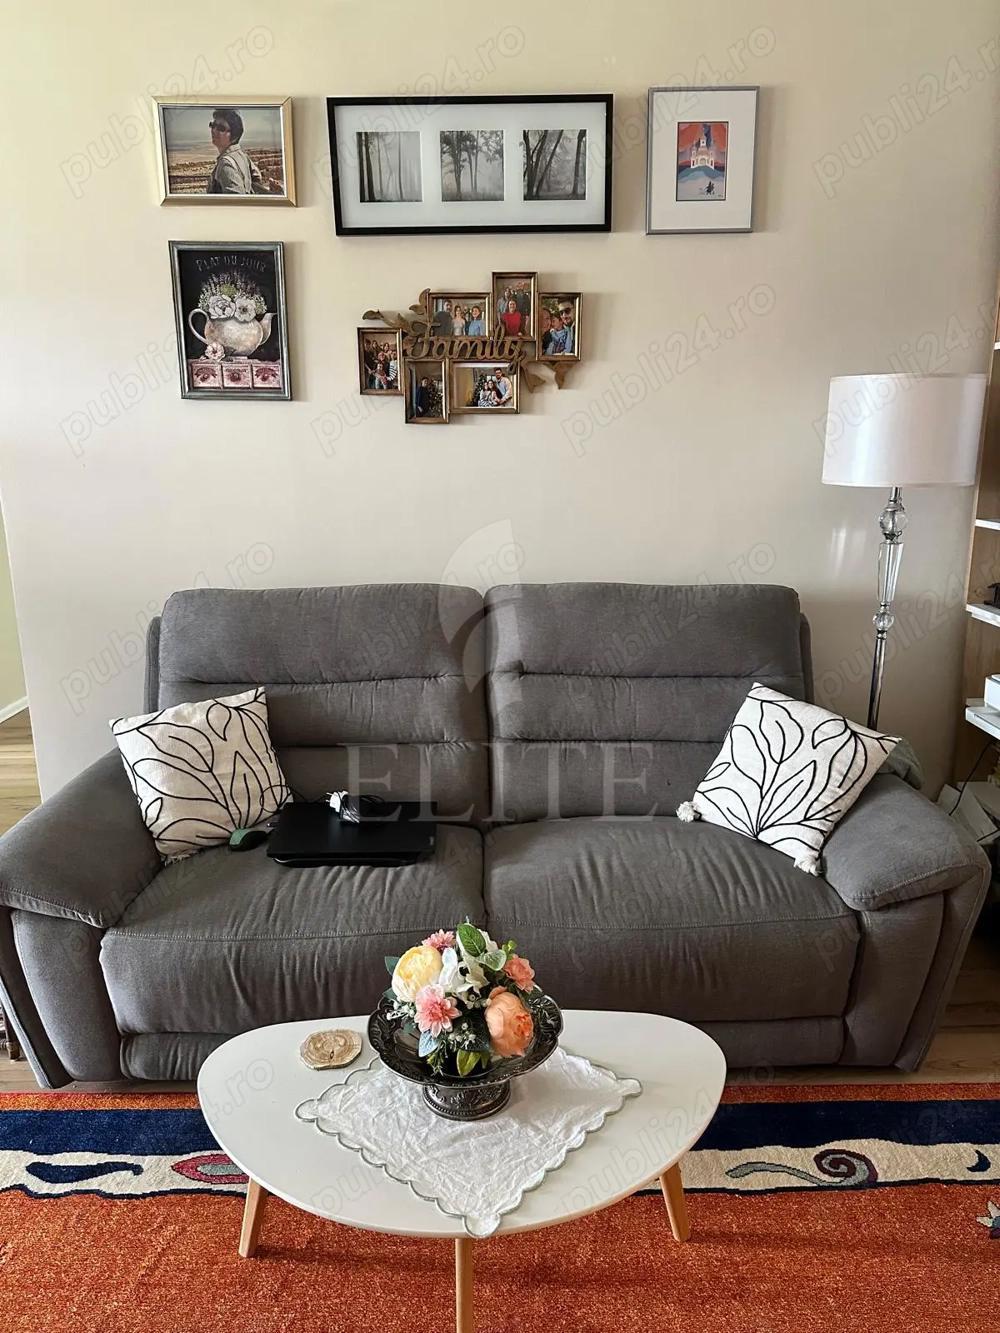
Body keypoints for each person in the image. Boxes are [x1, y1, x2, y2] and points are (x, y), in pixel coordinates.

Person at [206, 108, 280, 195]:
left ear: (234, 135)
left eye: (220, 128)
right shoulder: (242, 155)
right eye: (213, 125)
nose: (214, 130)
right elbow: (256, 177)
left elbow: (235, 200)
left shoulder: (226, 164)